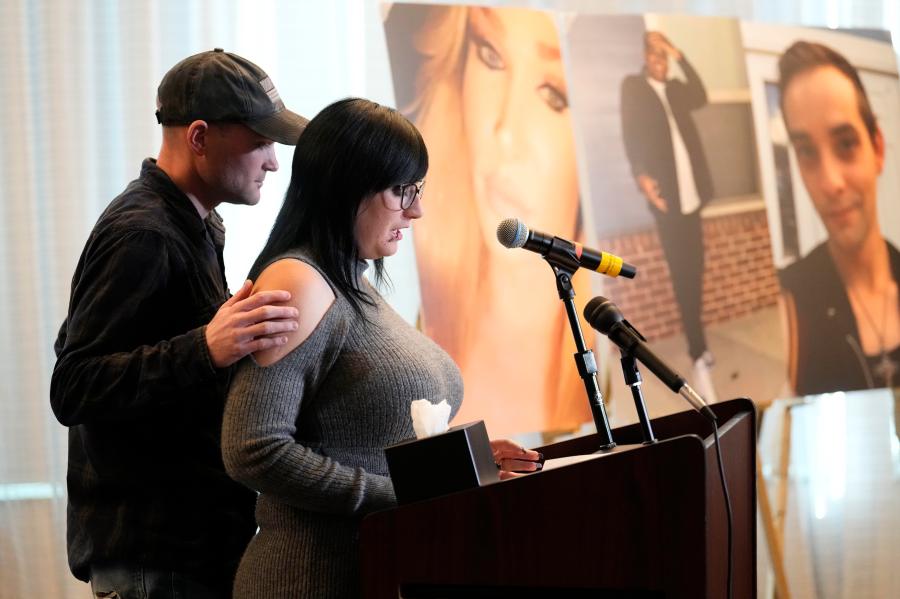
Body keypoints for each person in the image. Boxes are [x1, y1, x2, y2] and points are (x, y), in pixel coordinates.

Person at [221, 97, 543, 598]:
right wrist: (405, 495)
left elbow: (363, 430)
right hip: (310, 578)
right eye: (401, 191)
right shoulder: (298, 282)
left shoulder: (352, 280)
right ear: (347, 186)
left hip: (373, 567)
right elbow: (252, 449)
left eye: (417, 190)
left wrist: (467, 460)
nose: (416, 209)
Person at [49, 49, 306, 598]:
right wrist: (206, 347)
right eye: (260, 141)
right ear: (198, 136)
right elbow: (73, 386)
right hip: (155, 563)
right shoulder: (145, 233)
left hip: (188, 554)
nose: (272, 161)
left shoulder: (193, 223)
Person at [391, 6, 595, 436]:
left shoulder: (606, 363)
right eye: (490, 56)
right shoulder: (411, 336)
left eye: (554, 94)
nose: (504, 132)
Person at [777, 41, 900, 394]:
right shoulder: (788, 302)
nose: (830, 182)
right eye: (807, 152)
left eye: (845, 144)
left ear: (876, 148)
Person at [619, 30, 717, 400]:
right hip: (667, 200)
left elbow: (702, 95)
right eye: (654, 55)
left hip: (694, 197)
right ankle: (698, 349)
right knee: (682, 274)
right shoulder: (634, 87)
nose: (659, 62)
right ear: (644, 56)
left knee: (698, 268)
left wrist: (680, 53)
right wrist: (641, 176)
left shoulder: (676, 88)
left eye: (664, 55)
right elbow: (630, 135)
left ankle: (698, 342)